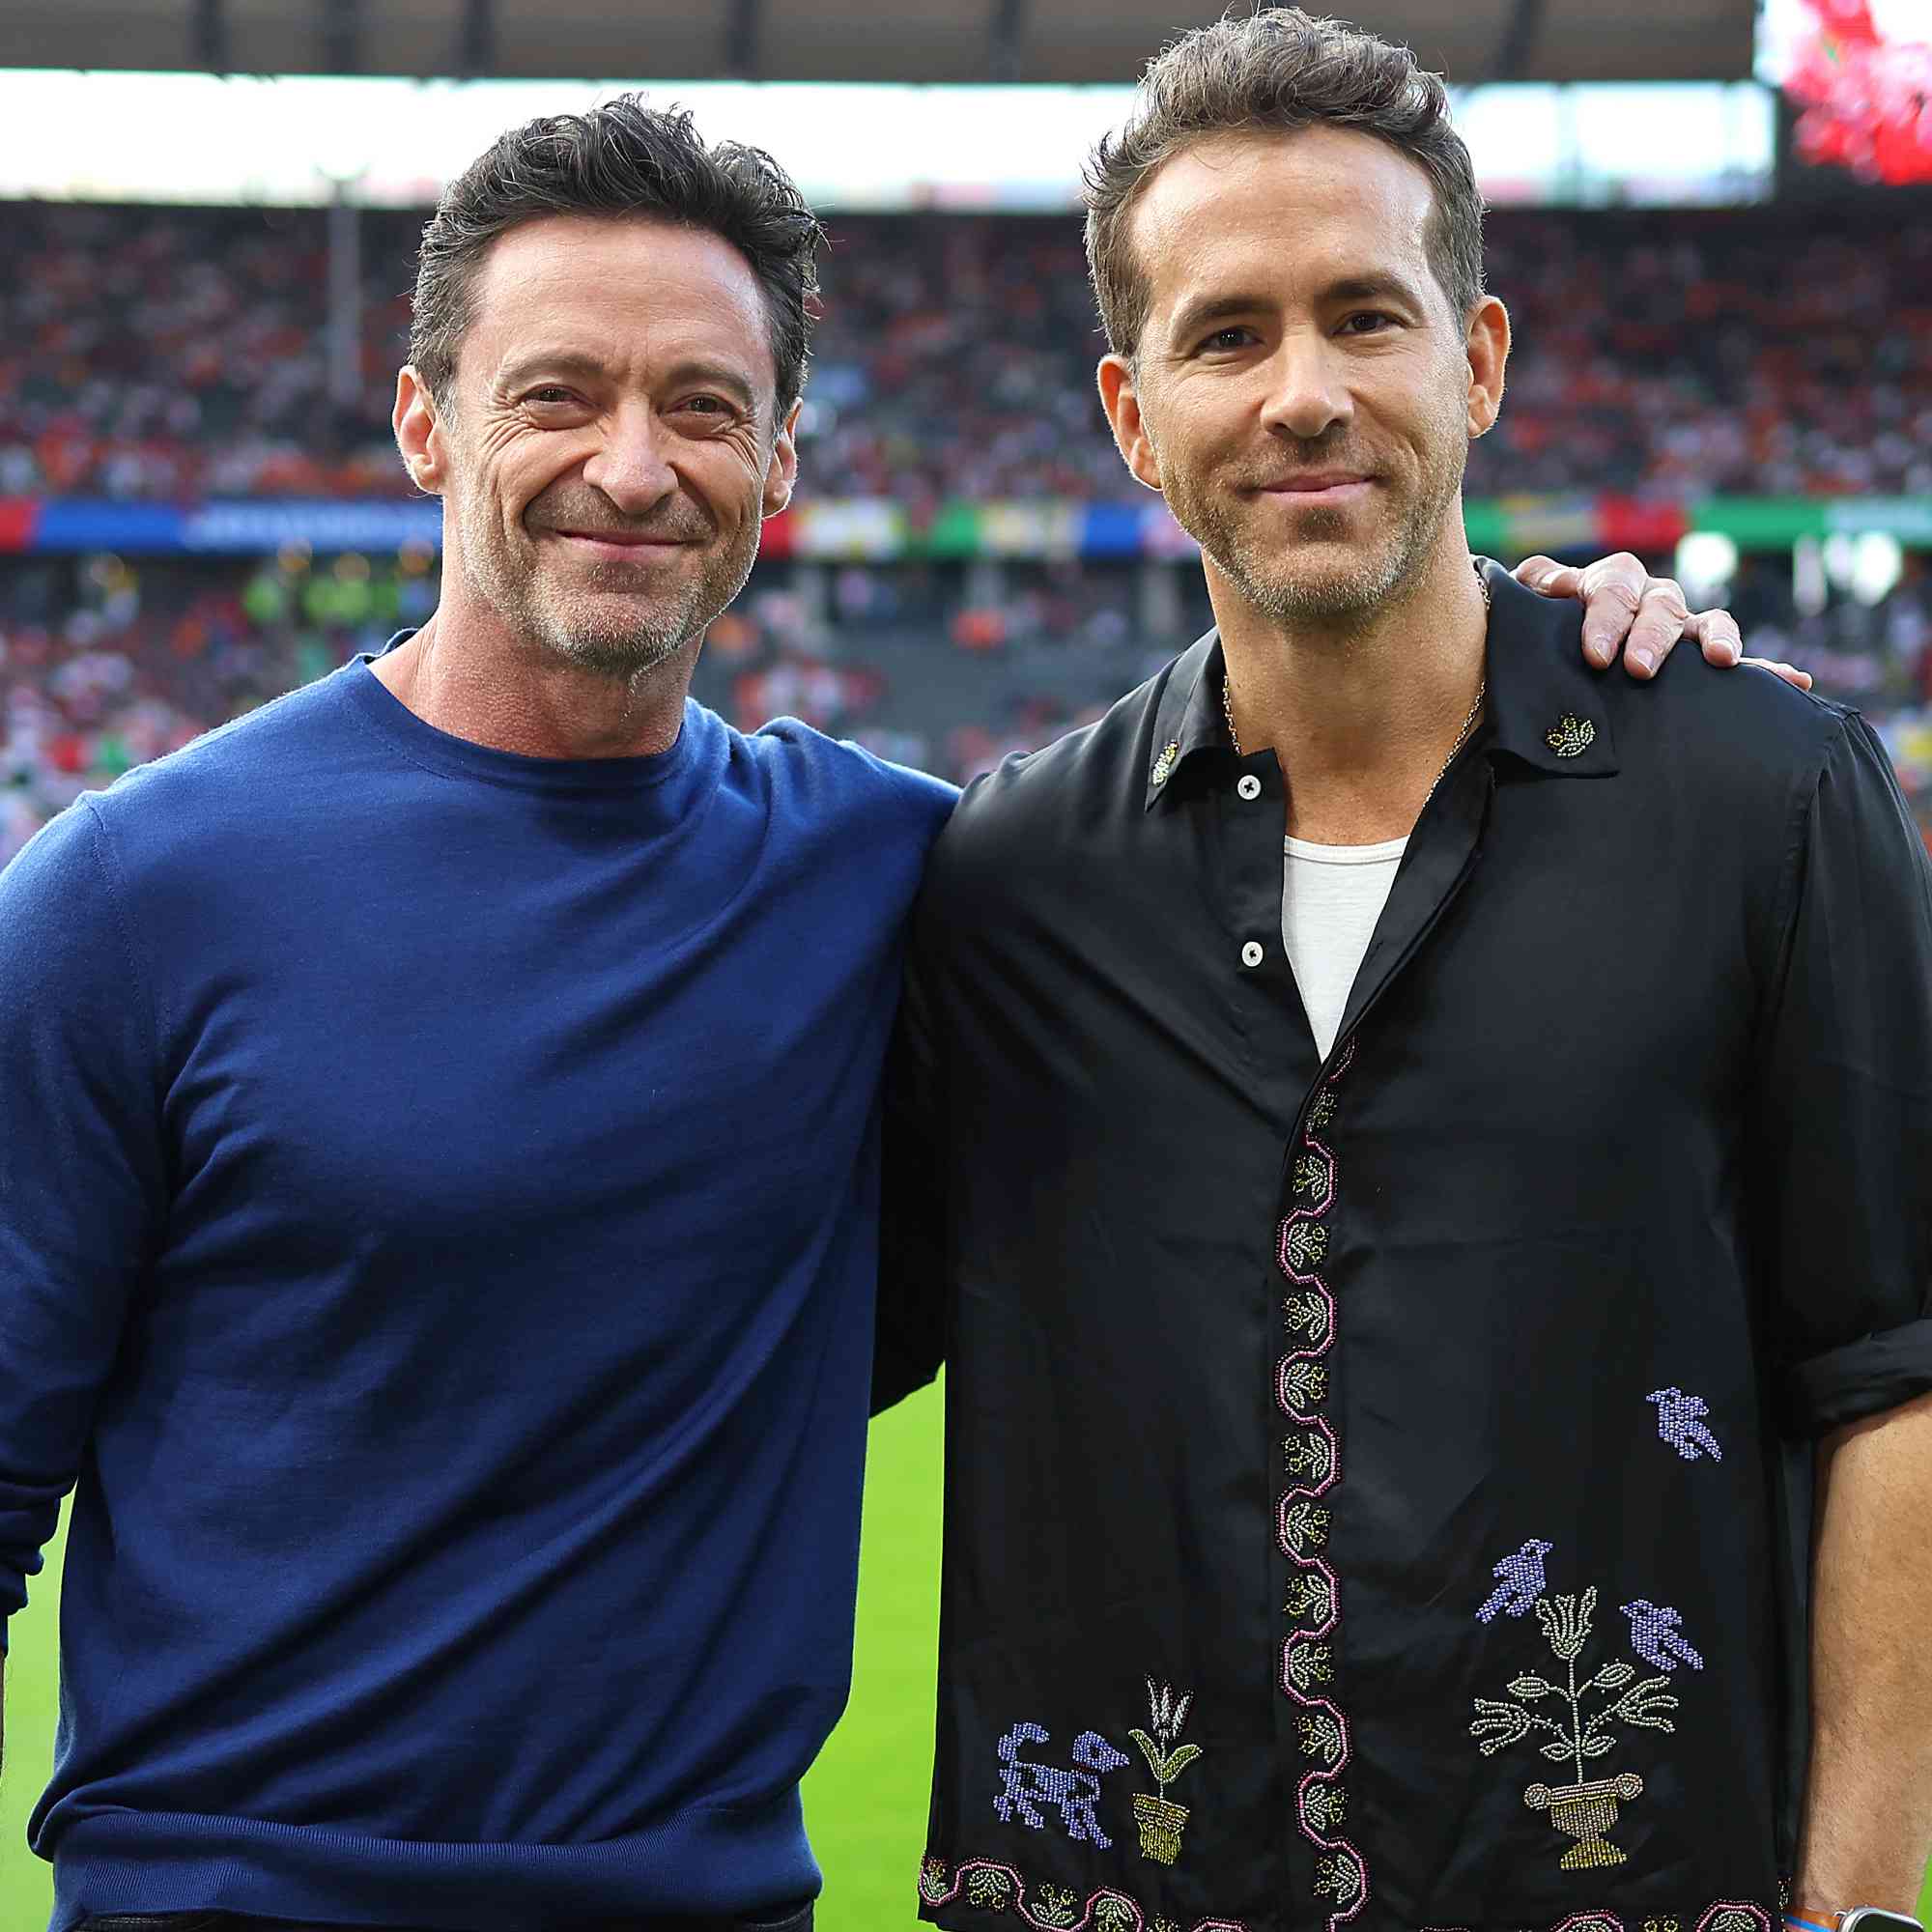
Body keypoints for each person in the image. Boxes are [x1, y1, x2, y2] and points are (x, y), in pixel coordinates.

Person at [0, 93, 1769, 1932]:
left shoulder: (904, 875)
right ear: (426, 422)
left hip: (715, 1899)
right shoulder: (136, 897)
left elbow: (1326, 778)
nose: (632, 462)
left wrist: (1567, 641)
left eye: (701, 405)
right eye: (556, 395)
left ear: (778, 463)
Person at [880, 15, 1932, 1932]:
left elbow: (1896, 1380)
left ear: (1479, 360)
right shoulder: (1004, 883)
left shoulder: (1766, 800)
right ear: (1131, 413)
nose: (1301, 393)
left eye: (1364, 315)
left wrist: (1856, 1911)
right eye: (1227, 334)